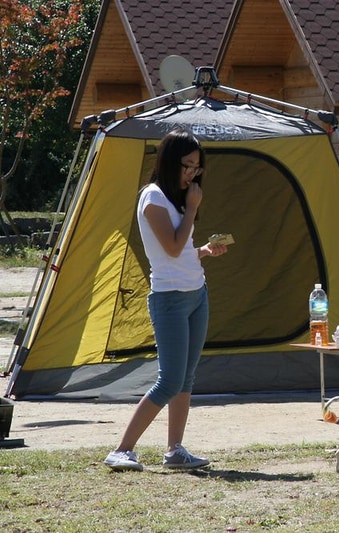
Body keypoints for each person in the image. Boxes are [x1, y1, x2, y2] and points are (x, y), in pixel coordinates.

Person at [103, 128, 229, 472]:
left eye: (197, 168)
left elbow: (181, 250)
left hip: (196, 294)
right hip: (169, 300)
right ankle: (121, 449)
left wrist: (202, 250)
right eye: (188, 166)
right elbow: (171, 248)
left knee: (186, 380)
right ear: (171, 161)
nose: (192, 173)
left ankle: (175, 451)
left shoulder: (176, 198)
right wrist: (191, 210)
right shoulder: (153, 197)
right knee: (169, 380)